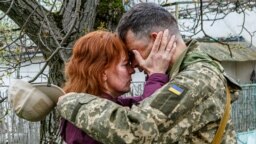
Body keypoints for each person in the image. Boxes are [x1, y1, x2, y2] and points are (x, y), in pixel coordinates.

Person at [57, 3, 241, 144]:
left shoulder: (196, 78)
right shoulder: (184, 73)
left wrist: (68, 101)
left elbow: (138, 129)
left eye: (135, 53)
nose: (135, 65)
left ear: (155, 39)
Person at [60, 30, 175, 144]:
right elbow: (143, 122)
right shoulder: (94, 117)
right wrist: (157, 75)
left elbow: (140, 104)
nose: (132, 70)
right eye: (125, 64)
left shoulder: (93, 107)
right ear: (102, 73)